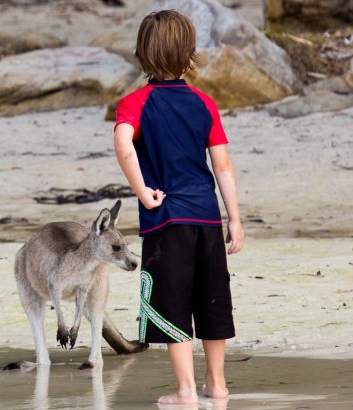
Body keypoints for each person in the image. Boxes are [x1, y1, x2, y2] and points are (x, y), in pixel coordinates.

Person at [111, 9, 244, 406]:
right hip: (206, 217)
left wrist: (142, 190)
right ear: (189, 56)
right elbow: (222, 165)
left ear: (141, 56)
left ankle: (186, 390)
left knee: (172, 304)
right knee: (212, 299)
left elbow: (122, 143)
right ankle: (216, 384)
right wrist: (234, 218)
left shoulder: (134, 103)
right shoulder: (204, 103)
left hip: (166, 221)